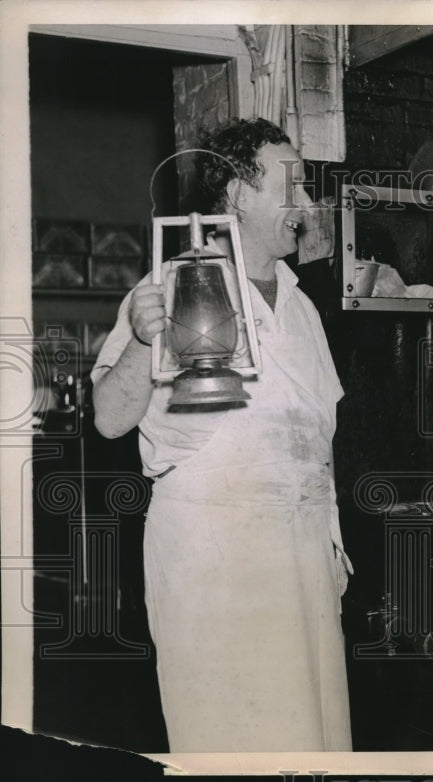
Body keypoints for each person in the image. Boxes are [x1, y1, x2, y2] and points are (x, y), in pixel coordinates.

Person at [92, 118, 352, 752]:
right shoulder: (176, 284)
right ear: (237, 193)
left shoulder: (302, 306)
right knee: (235, 744)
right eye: (291, 187)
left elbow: (318, 443)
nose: (306, 205)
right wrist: (143, 341)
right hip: (216, 562)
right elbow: (108, 418)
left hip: (303, 559)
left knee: (313, 738)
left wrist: (333, 545)